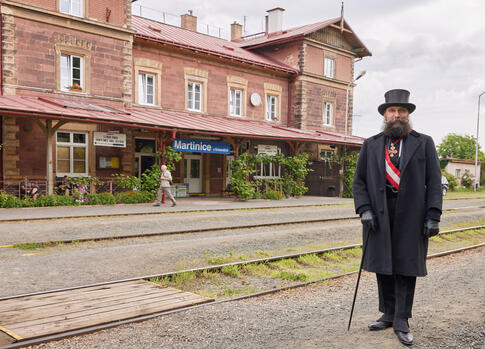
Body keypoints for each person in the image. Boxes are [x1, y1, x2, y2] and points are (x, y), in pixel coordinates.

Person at [353, 89, 442, 346]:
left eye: (401, 111)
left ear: (408, 114)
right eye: (392, 111)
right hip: (379, 212)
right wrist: (364, 210)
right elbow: (358, 182)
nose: (397, 115)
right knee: (384, 265)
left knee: (405, 267)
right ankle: (388, 313)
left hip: (412, 215)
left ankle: (402, 319)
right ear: (385, 114)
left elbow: (434, 183)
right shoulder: (370, 144)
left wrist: (433, 215)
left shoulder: (423, 142)